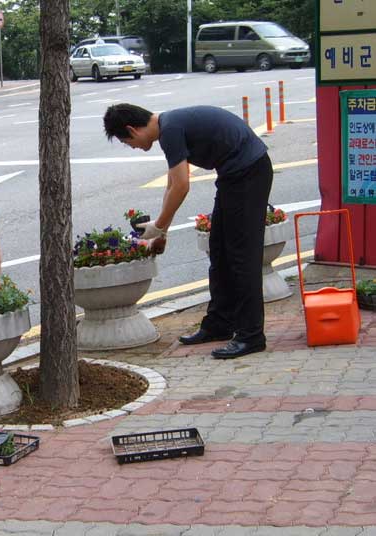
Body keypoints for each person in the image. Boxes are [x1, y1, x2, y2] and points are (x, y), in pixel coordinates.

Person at [103, 103, 273, 360]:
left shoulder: (170, 129)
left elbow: (182, 186)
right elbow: (171, 184)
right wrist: (162, 231)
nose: (133, 147)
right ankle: (220, 323)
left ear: (131, 130)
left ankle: (251, 336)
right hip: (234, 177)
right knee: (219, 251)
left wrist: (159, 226)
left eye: (128, 143)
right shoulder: (168, 127)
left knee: (242, 258)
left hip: (249, 174)